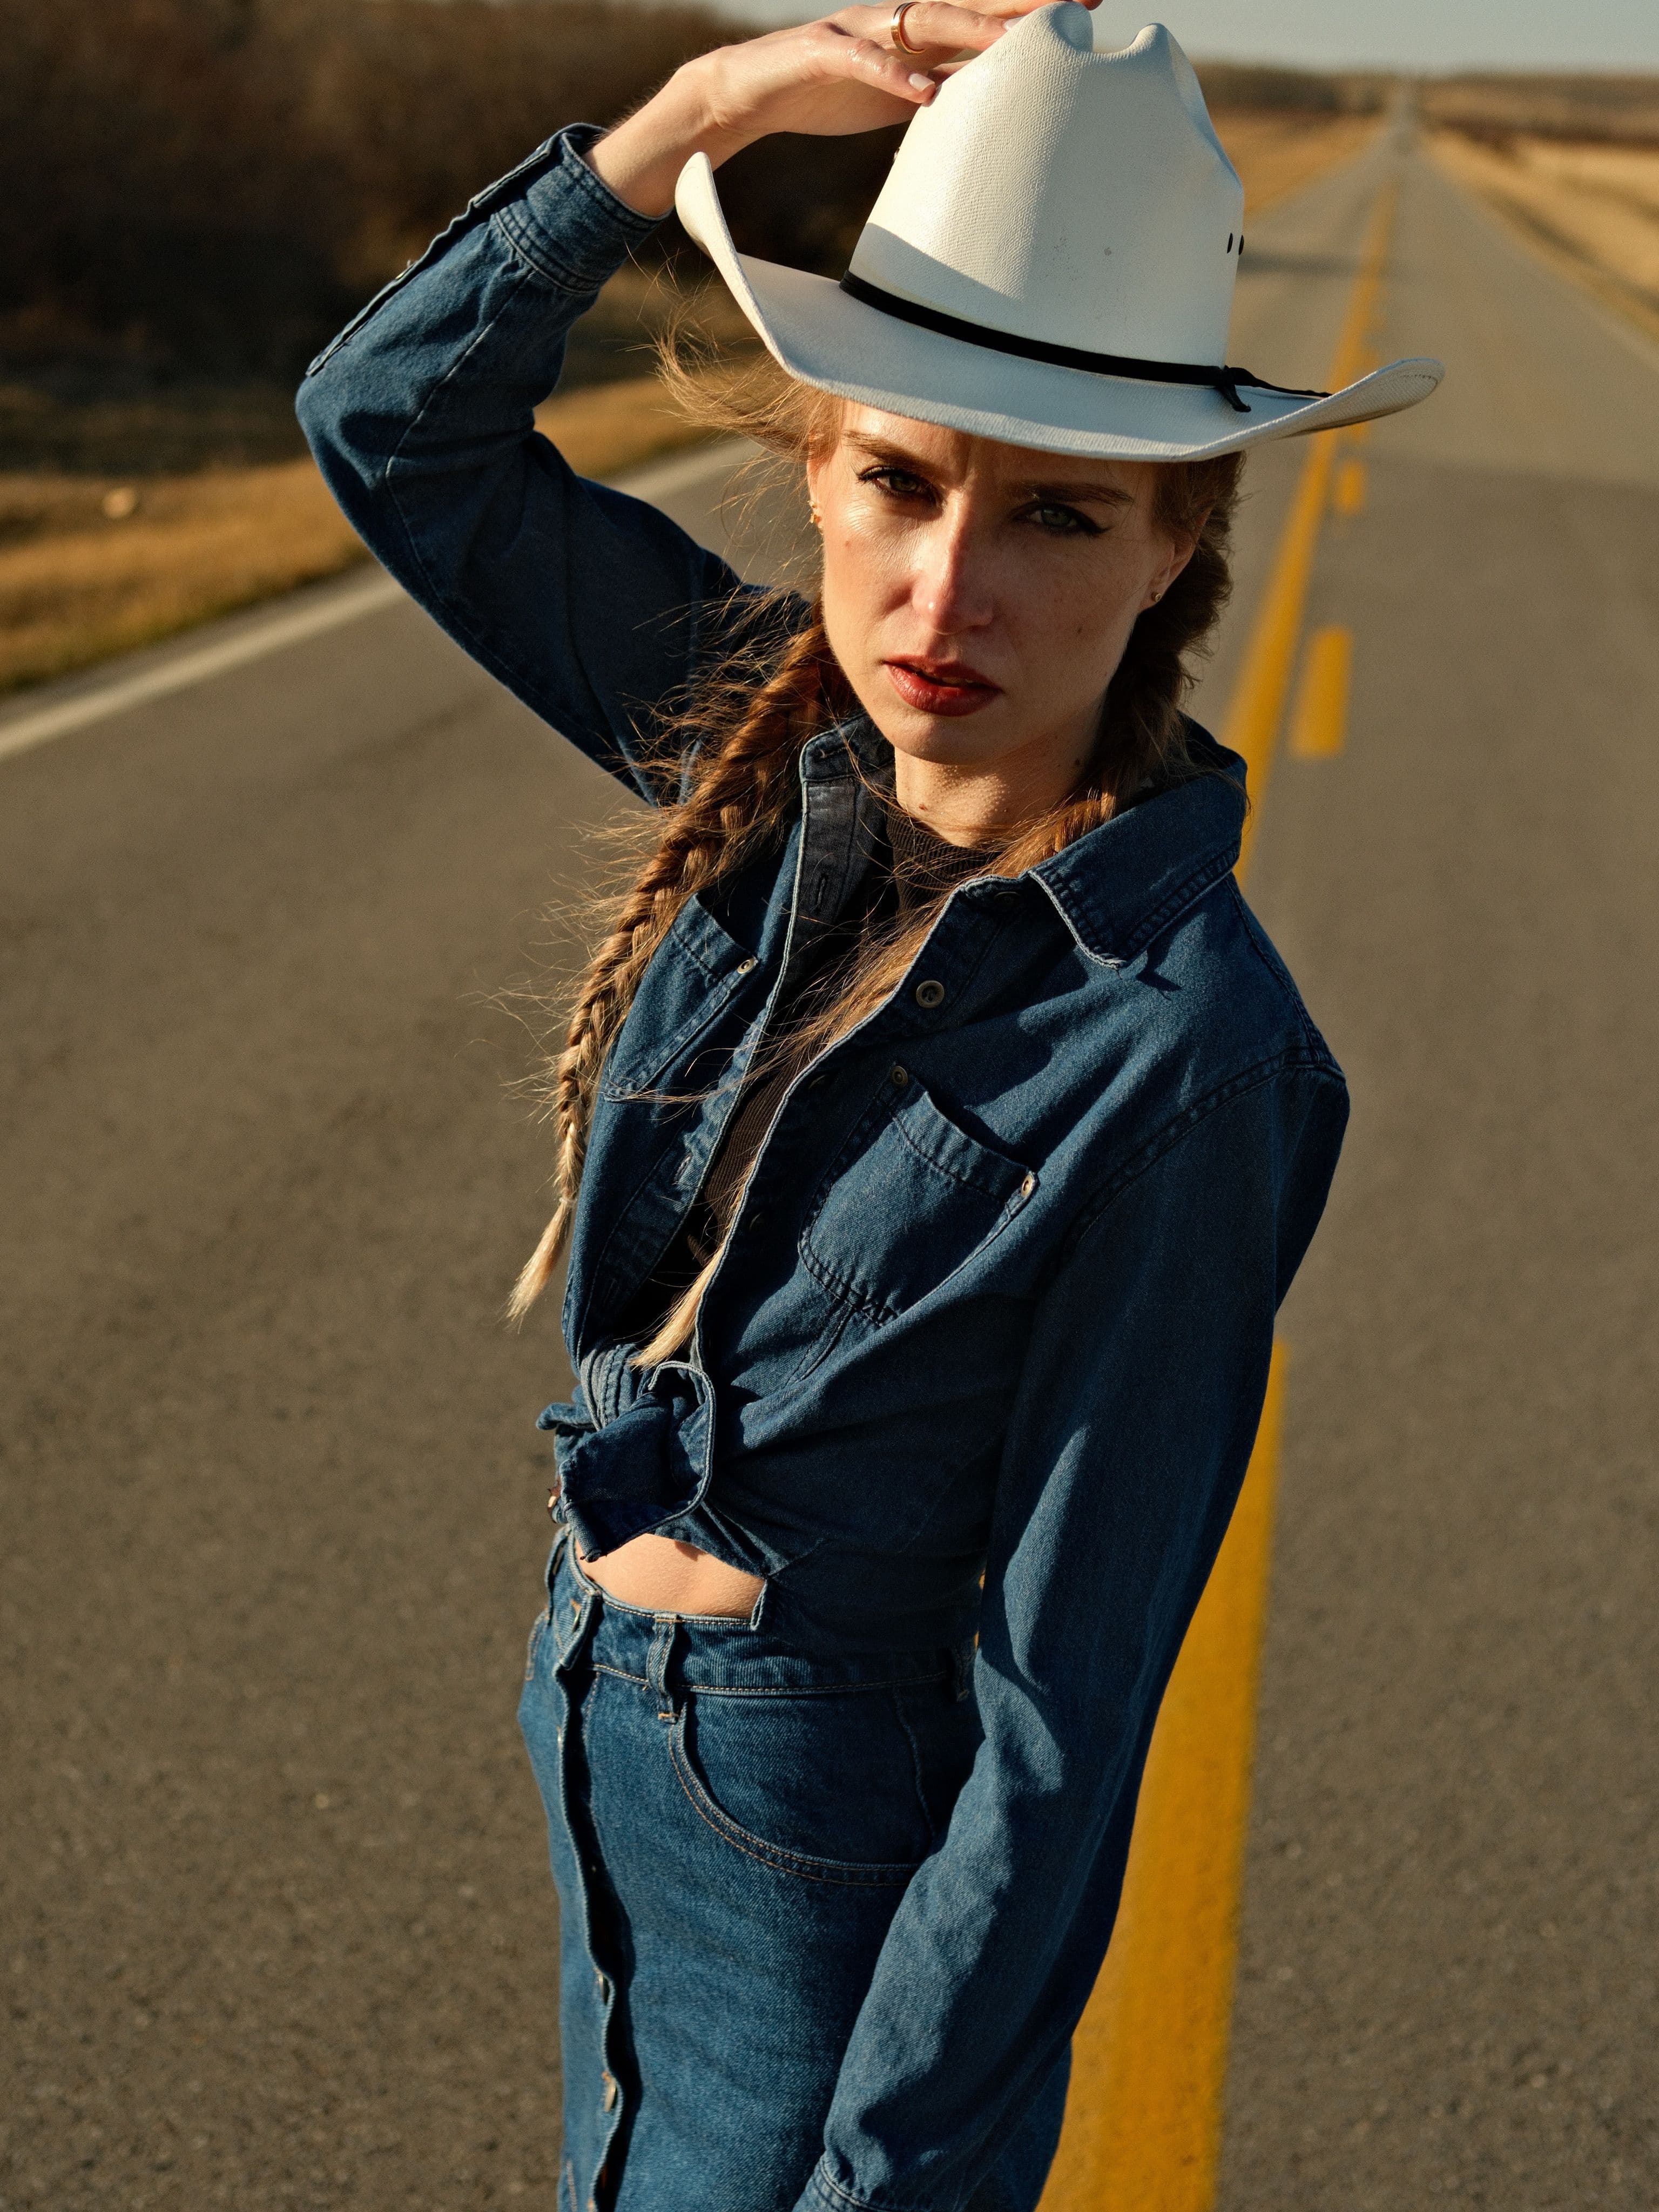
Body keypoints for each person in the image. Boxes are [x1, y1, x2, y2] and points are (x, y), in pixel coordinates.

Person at [298, 5, 1440, 2207]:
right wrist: (709, 115)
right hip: (603, 1736)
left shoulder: (1189, 1054)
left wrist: (893, 2170)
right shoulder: (764, 771)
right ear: (824, 470)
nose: (946, 593)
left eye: (1056, 516)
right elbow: (385, 426)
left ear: (1177, 545)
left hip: (825, 1864)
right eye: (900, 480)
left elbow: (1062, 1729)